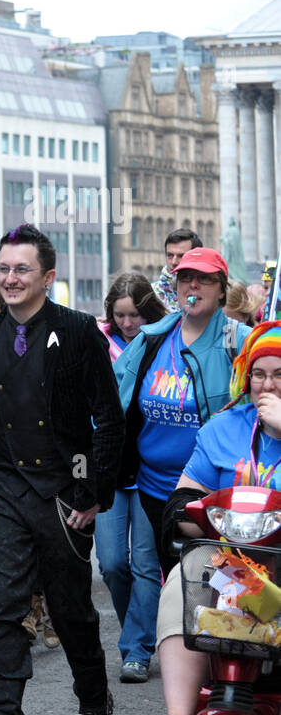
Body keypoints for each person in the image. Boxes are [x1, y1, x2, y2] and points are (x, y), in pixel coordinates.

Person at [0, 224, 123, 715]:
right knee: (2, 608)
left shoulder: (77, 332)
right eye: (3, 268)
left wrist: (93, 492)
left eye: (23, 269)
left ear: (48, 276)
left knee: (70, 612)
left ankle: (94, 704)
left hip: (64, 494)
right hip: (3, 489)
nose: (11, 278)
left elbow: (108, 418)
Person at [138, 321, 281, 715]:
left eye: (280, 374)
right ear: (245, 375)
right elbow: (183, 498)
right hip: (230, 564)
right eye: (259, 373)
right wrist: (189, 516)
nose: (267, 384)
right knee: (184, 577)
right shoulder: (222, 427)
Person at [113, 246, 242, 576]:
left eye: (204, 279)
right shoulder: (151, 339)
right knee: (161, 576)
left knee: (215, 582)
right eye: (185, 278)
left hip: (214, 493)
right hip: (152, 488)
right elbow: (111, 401)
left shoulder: (239, 341)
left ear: (222, 288)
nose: (193, 286)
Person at [94, 272, 167, 683]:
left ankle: (136, 648)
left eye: (135, 314)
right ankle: (136, 633)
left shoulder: (162, 342)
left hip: (148, 468)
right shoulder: (97, 343)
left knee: (144, 563)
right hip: (107, 468)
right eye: (120, 315)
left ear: (148, 311)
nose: (127, 323)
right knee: (111, 563)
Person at [153, 227, 202, 313]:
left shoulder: (206, 292)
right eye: (170, 255)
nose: (174, 262)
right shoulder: (152, 293)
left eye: (181, 256)